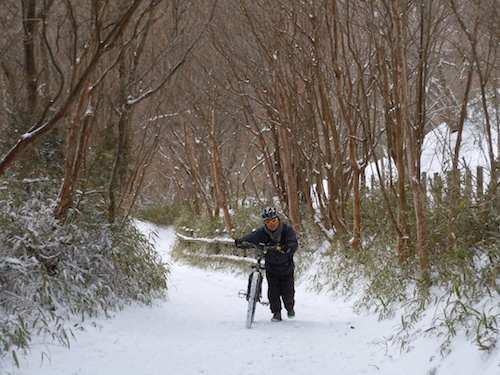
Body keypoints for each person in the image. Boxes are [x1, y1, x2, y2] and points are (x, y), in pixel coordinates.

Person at [235, 206, 298, 322]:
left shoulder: (287, 231)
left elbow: (293, 243)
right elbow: (250, 238)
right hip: (271, 266)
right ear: (265, 223)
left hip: (286, 266)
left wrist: (287, 248)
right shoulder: (261, 232)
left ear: (278, 219)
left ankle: (290, 308)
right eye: (268, 222)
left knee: (287, 292)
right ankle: (276, 313)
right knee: (273, 291)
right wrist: (241, 242)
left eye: (273, 221)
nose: (271, 224)